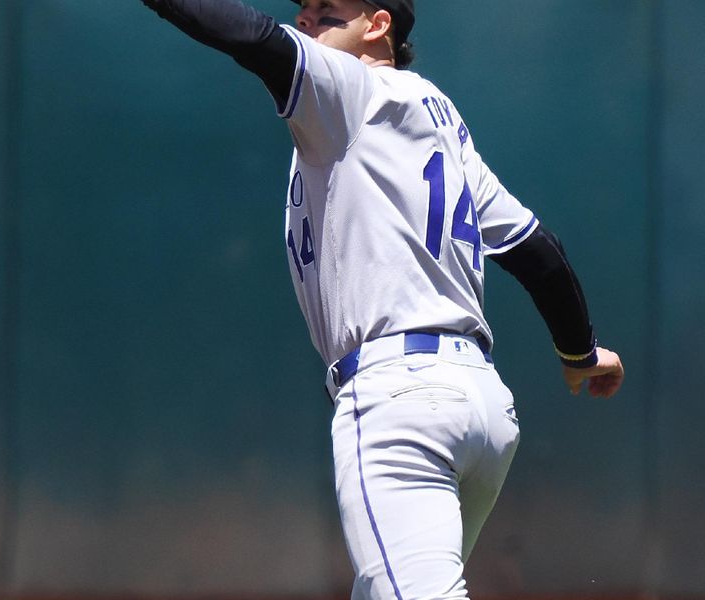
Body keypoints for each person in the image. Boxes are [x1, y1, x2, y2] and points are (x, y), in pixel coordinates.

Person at [137, 0, 625, 597]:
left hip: (400, 403)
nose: (306, 24)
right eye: (304, 11)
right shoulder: (443, 124)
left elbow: (252, 37)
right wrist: (581, 353)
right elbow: (537, 253)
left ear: (377, 25)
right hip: (483, 408)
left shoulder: (347, 88)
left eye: (326, 13)